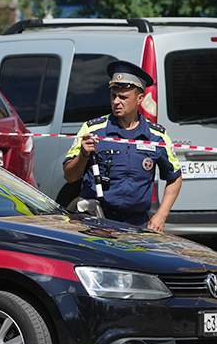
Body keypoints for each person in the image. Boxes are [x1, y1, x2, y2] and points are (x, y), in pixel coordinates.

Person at [63, 60, 182, 232]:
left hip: (137, 225)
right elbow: (69, 176)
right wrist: (83, 155)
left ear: (139, 99)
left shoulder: (157, 136)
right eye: (113, 96)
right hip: (96, 221)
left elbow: (175, 178)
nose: (116, 102)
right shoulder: (92, 129)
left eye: (123, 97)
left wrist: (161, 215)